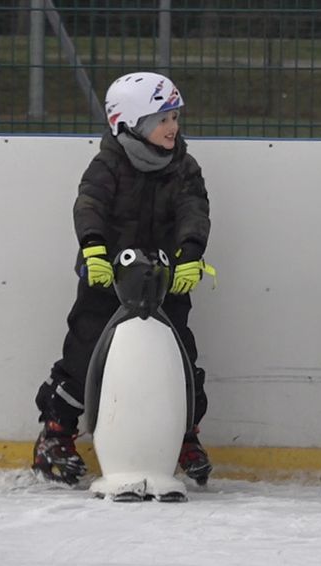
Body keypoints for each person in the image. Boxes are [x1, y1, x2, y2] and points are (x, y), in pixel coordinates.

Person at [32, 72, 213, 487]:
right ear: (130, 123)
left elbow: (194, 211)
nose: (173, 127)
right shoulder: (108, 164)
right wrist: (93, 249)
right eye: (162, 119)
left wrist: (191, 255)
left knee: (180, 356)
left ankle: (184, 436)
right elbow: (89, 205)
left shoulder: (184, 166)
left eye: (175, 117)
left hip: (165, 279)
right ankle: (56, 435)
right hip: (107, 278)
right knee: (84, 348)